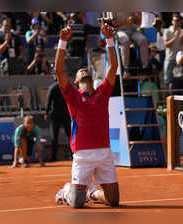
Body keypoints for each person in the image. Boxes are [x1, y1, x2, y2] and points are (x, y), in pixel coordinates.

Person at [54, 20, 119, 208]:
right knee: (76, 203)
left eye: (86, 70)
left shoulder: (103, 92)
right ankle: (66, 191)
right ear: (76, 81)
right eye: (80, 72)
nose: (84, 70)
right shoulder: (72, 96)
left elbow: (113, 67)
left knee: (113, 201)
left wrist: (109, 39)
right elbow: (59, 70)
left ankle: (92, 191)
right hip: (82, 154)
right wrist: (62, 42)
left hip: (104, 152)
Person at [44, 76, 72, 161]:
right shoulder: (67, 87)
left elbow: (48, 101)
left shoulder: (52, 87)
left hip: (55, 115)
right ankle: (72, 155)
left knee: (54, 137)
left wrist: (46, 112)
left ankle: (53, 157)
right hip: (66, 114)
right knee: (69, 136)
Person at [115, 12, 150, 76]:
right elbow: (113, 23)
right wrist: (126, 21)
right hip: (120, 31)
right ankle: (126, 69)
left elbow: (139, 24)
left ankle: (145, 67)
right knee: (125, 40)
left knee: (143, 40)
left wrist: (137, 18)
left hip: (133, 31)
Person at [163, 14, 183, 89]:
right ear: (172, 21)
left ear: (180, 22)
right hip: (170, 59)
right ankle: (167, 98)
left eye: (178, 21)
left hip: (179, 60)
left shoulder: (182, 31)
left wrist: (182, 38)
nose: (176, 22)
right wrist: (175, 37)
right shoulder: (167, 31)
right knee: (167, 79)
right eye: (175, 20)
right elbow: (166, 44)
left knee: (179, 79)